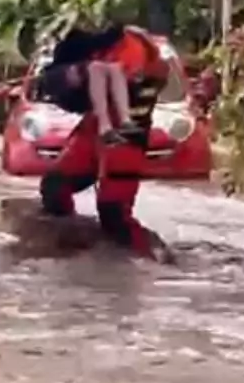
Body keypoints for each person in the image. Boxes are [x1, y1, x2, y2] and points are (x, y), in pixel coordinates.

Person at [37, 22, 171, 260]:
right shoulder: (88, 45)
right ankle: (71, 249)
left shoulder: (138, 48)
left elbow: (124, 79)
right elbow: (64, 87)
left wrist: (81, 75)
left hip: (127, 136)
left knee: (114, 213)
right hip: (94, 129)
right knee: (54, 186)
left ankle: (150, 260)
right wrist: (69, 75)